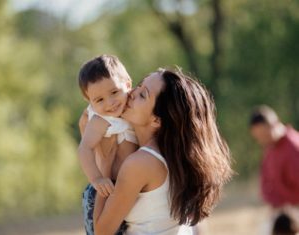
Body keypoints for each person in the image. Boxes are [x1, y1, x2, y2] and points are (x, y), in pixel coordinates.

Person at [89, 68, 232, 234]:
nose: (133, 93)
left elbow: (101, 231)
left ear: (157, 120)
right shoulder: (173, 156)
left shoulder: (141, 163)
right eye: (139, 86)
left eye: (143, 95)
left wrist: (104, 165)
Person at [77, 55, 138, 235]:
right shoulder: (101, 120)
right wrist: (96, 179)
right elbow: (85, 148)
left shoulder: (135, 108)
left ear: (127, 85)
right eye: (99, 100)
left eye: (114, 92)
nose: (110, 103)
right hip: (104, 189)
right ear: (90, 102)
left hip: (124, 189)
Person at [249, 105, 299, 234]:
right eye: (258, 137)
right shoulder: (270, 148)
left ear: (273, 125)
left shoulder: (294, 148)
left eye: (263, 135)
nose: (261, 141)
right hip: (280, 213)